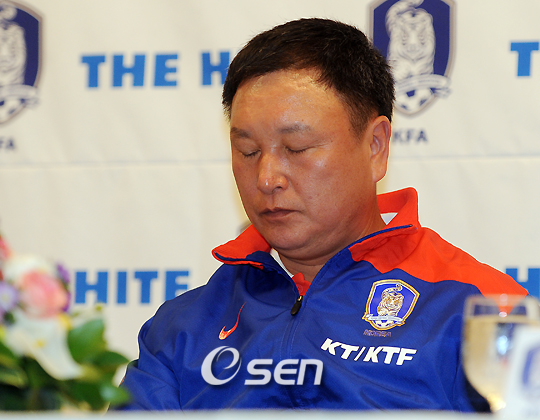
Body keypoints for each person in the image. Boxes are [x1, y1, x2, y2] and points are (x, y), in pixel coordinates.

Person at [118, 18, 526, 411]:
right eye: (248, 151)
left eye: (296, 148)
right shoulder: (183, 327)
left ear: (376, 147)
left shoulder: (477, 309)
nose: (267, 178)